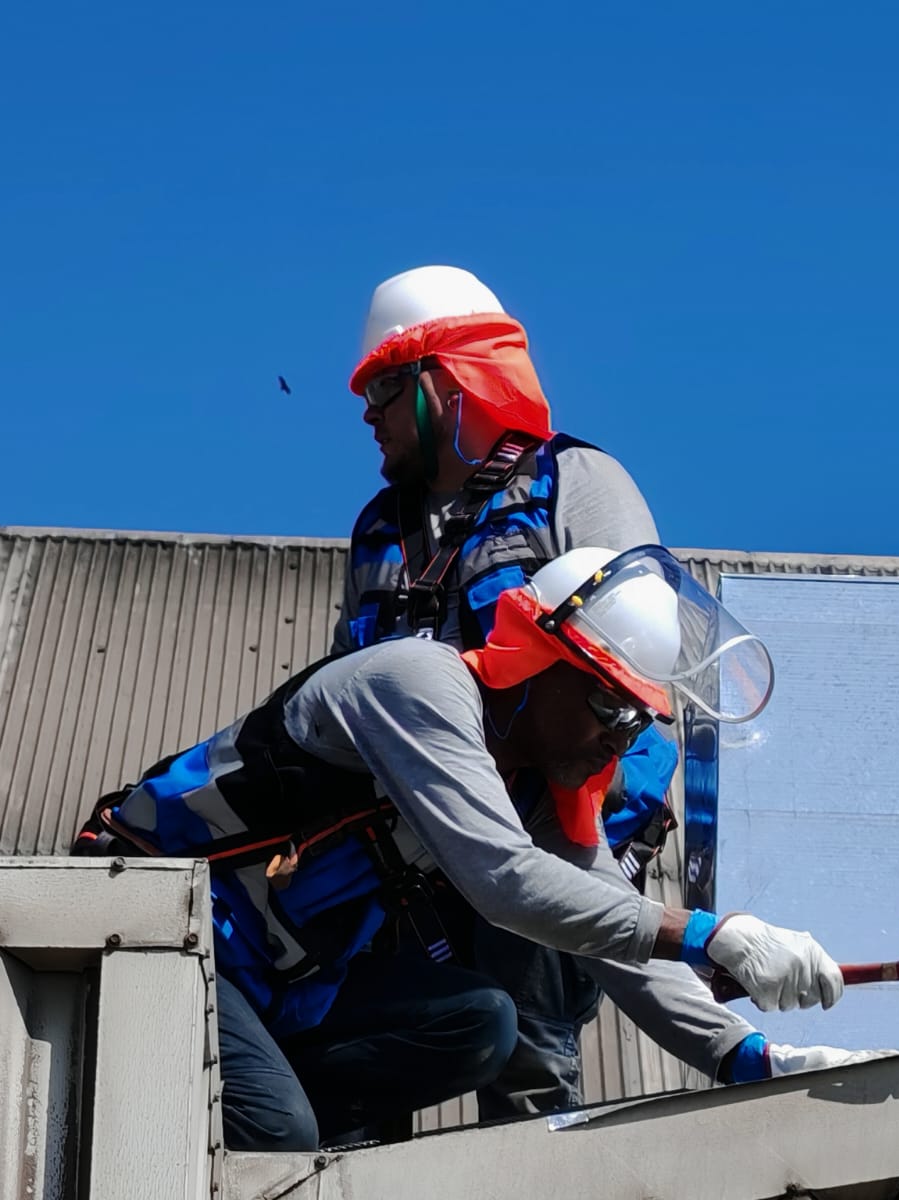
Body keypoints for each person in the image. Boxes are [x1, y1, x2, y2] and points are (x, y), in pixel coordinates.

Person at [74, 546, 850, 1150]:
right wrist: (708, 932)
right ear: (543, 662)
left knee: (482, 1023)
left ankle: (272, 1094)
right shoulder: (418, 683)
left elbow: (614, 928)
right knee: (281, 1135)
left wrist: (746, 1057)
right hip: (162, 928)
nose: (619, 736)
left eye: (637, 720)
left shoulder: (535, 784)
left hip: (277, 984)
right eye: (609, 703)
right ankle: (270, 1116)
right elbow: (503, 881)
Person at [332, 265, 748, 1117]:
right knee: (370, 1073)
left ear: (442, 380)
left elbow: (639, 663)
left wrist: (593, 848)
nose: (366, 413)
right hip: (409, 848)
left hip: (550, 831)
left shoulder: (575, 482)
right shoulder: (379, 529)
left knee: (527, 1068)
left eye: (381, 387)